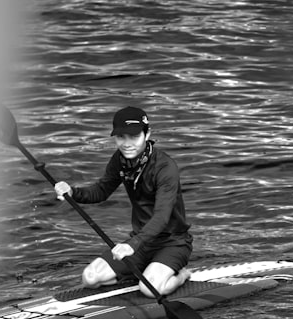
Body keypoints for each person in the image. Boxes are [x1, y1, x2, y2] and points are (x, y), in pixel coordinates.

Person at [54, 106, 192, 297]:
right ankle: (138, 273)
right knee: (90, 278)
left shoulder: (165, 168)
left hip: (172, 243)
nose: (126, 144)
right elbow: (101, 191)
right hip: (141, 244)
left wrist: (132, 244)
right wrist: (72, 192)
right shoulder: (120, 160)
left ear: (147, 134)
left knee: (151, 290)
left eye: (133, 137)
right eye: (120, 137)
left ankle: (182, 275)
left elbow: (161, 217)